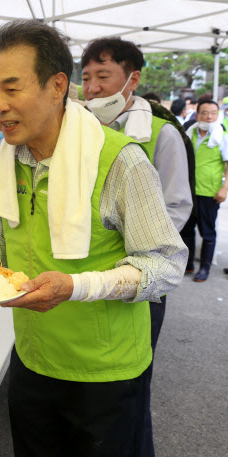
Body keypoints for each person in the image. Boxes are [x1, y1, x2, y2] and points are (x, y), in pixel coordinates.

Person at [0, 19, 186, 457]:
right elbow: (0, 245)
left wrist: (76, 286)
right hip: (34, 358)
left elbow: (165, 265)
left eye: (12, 89)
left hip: (103, 372)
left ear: (58, 86)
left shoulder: (118, 161)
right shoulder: (12, 159)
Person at [81, 36, 193, 457]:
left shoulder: (161, 135)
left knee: (130, 383)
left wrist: (131, 248)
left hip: (139, 279)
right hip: (92, 278)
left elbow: (177, 208)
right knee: (95, 385)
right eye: (86, 77)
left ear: (133, 79)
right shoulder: (82, 131)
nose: (92, 88)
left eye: (103, 76)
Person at [181, 99, 228, 282]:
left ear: (218, 115)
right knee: (186, 230)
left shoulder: (222, 135)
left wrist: (224, 188)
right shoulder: (189, 133)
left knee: (207, 232)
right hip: (188, 191)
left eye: (213, 113)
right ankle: (189, 264)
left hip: (209, 192)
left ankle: (205, 268)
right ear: (197, 114)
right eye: (205, 112)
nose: (209, 117)